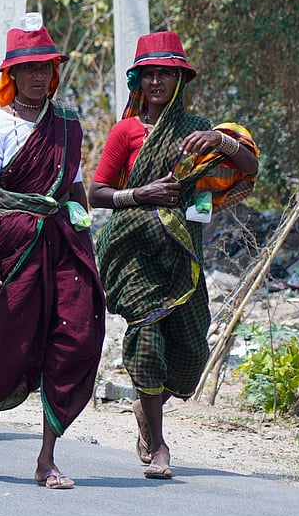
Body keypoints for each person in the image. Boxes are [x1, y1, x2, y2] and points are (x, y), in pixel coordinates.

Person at [90, 30, 258, 480]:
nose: (157, 82)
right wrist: (140, 193)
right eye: (149, 75)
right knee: (147, 339)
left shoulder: (198, 131)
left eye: (166, 74)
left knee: (187, 358)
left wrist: (219, 141)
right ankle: (160, 444)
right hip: (134, 251)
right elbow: (97, 192)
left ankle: (148, 411)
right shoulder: (126, 130)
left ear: (180, 79)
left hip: (182, 253)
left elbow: (249, 168)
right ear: (138, 82)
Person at [0, 26, 106, 489]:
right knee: (9, 340)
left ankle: (47, 457)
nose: (35, 75)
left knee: (76, 339)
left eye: (43, 67)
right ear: (12, 73)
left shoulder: (67, 123)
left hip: (64, 239)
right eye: (26, 68)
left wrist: (87, 236)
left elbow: (76, 184)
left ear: (53, 73)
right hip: (15, 240)